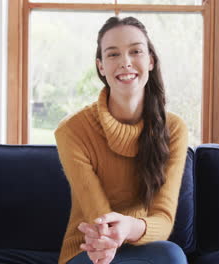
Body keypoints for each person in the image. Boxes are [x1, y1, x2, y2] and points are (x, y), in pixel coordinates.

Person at [55, 16, 189, 264]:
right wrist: (108, 240)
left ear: (150, 60)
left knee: (172, 256)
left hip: (141, 244)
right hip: (90, 247)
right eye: (113, 54)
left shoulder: (174, 129)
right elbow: (99, 217)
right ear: (101, 67)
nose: (125, 62)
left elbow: (163, 219)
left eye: (136, 51)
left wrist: (129, 227)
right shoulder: (72, 131)